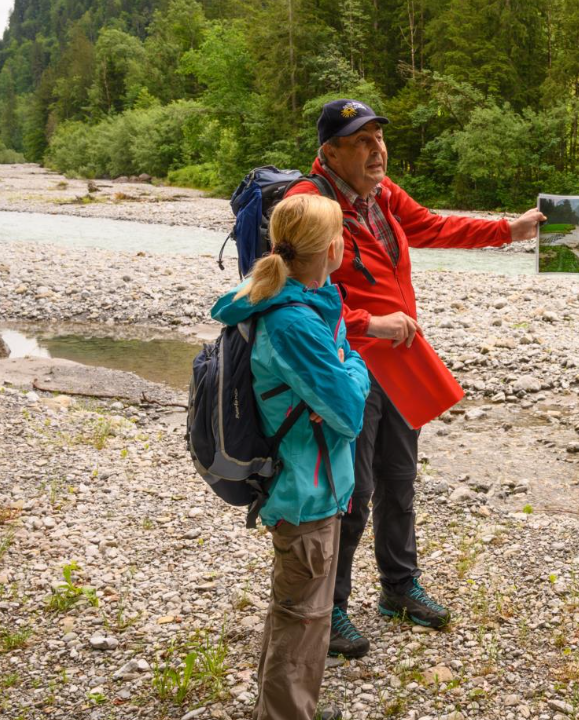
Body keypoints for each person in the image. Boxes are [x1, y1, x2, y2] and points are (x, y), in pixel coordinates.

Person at [286, 99, 545, 659]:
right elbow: (291, 298)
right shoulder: (308, 204)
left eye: (379, 137)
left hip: (400, 360)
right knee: (349, 493)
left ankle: (398, 588)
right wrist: (367, 323)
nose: (377, 149)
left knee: (398, 481)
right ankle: (329, 608)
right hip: (345, 367)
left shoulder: (381, 193)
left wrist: (510, 230)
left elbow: (430, 224)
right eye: (361, 141)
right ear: (329, 150)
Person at [211, 194, 371, 720]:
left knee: (297, 611)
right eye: (343, 237)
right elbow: (348, 411)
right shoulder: (294, 322)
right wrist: (354, 366)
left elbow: (331, 385)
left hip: (307, 478)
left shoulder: (284, 298)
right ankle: (285, 712)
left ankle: (284, 703)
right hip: (305, 488)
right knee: (304, 614)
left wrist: (338, 361)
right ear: (331, 249)